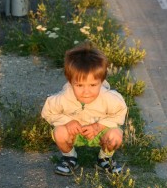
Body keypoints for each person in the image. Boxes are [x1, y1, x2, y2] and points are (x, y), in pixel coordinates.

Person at [41, 43, 127, 175]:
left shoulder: (109, 98)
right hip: (75, 132)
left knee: (115, 136)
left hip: (100, 132)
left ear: (102, 81)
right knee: (60, 132)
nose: (86, 91)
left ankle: (105, 158)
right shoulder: (64, 97)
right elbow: (47, 112)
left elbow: (120, 113)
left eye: (93, 85)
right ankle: (69, 157)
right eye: (79, 85)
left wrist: (99, 126)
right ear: (70, 81)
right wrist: (67, 121)